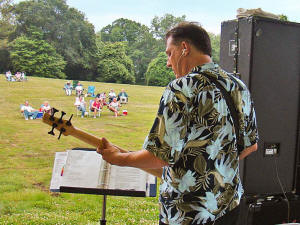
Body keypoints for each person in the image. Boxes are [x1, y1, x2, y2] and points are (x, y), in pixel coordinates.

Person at [96, 22, 258, 225]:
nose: (168, 62)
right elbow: (251, 145)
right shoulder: (238, 86)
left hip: (186, 215)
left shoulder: (181, 88)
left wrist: (120, 159)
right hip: (230, 208)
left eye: (169, 53)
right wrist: (217, 169)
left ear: (184, 48)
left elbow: (158, 156)